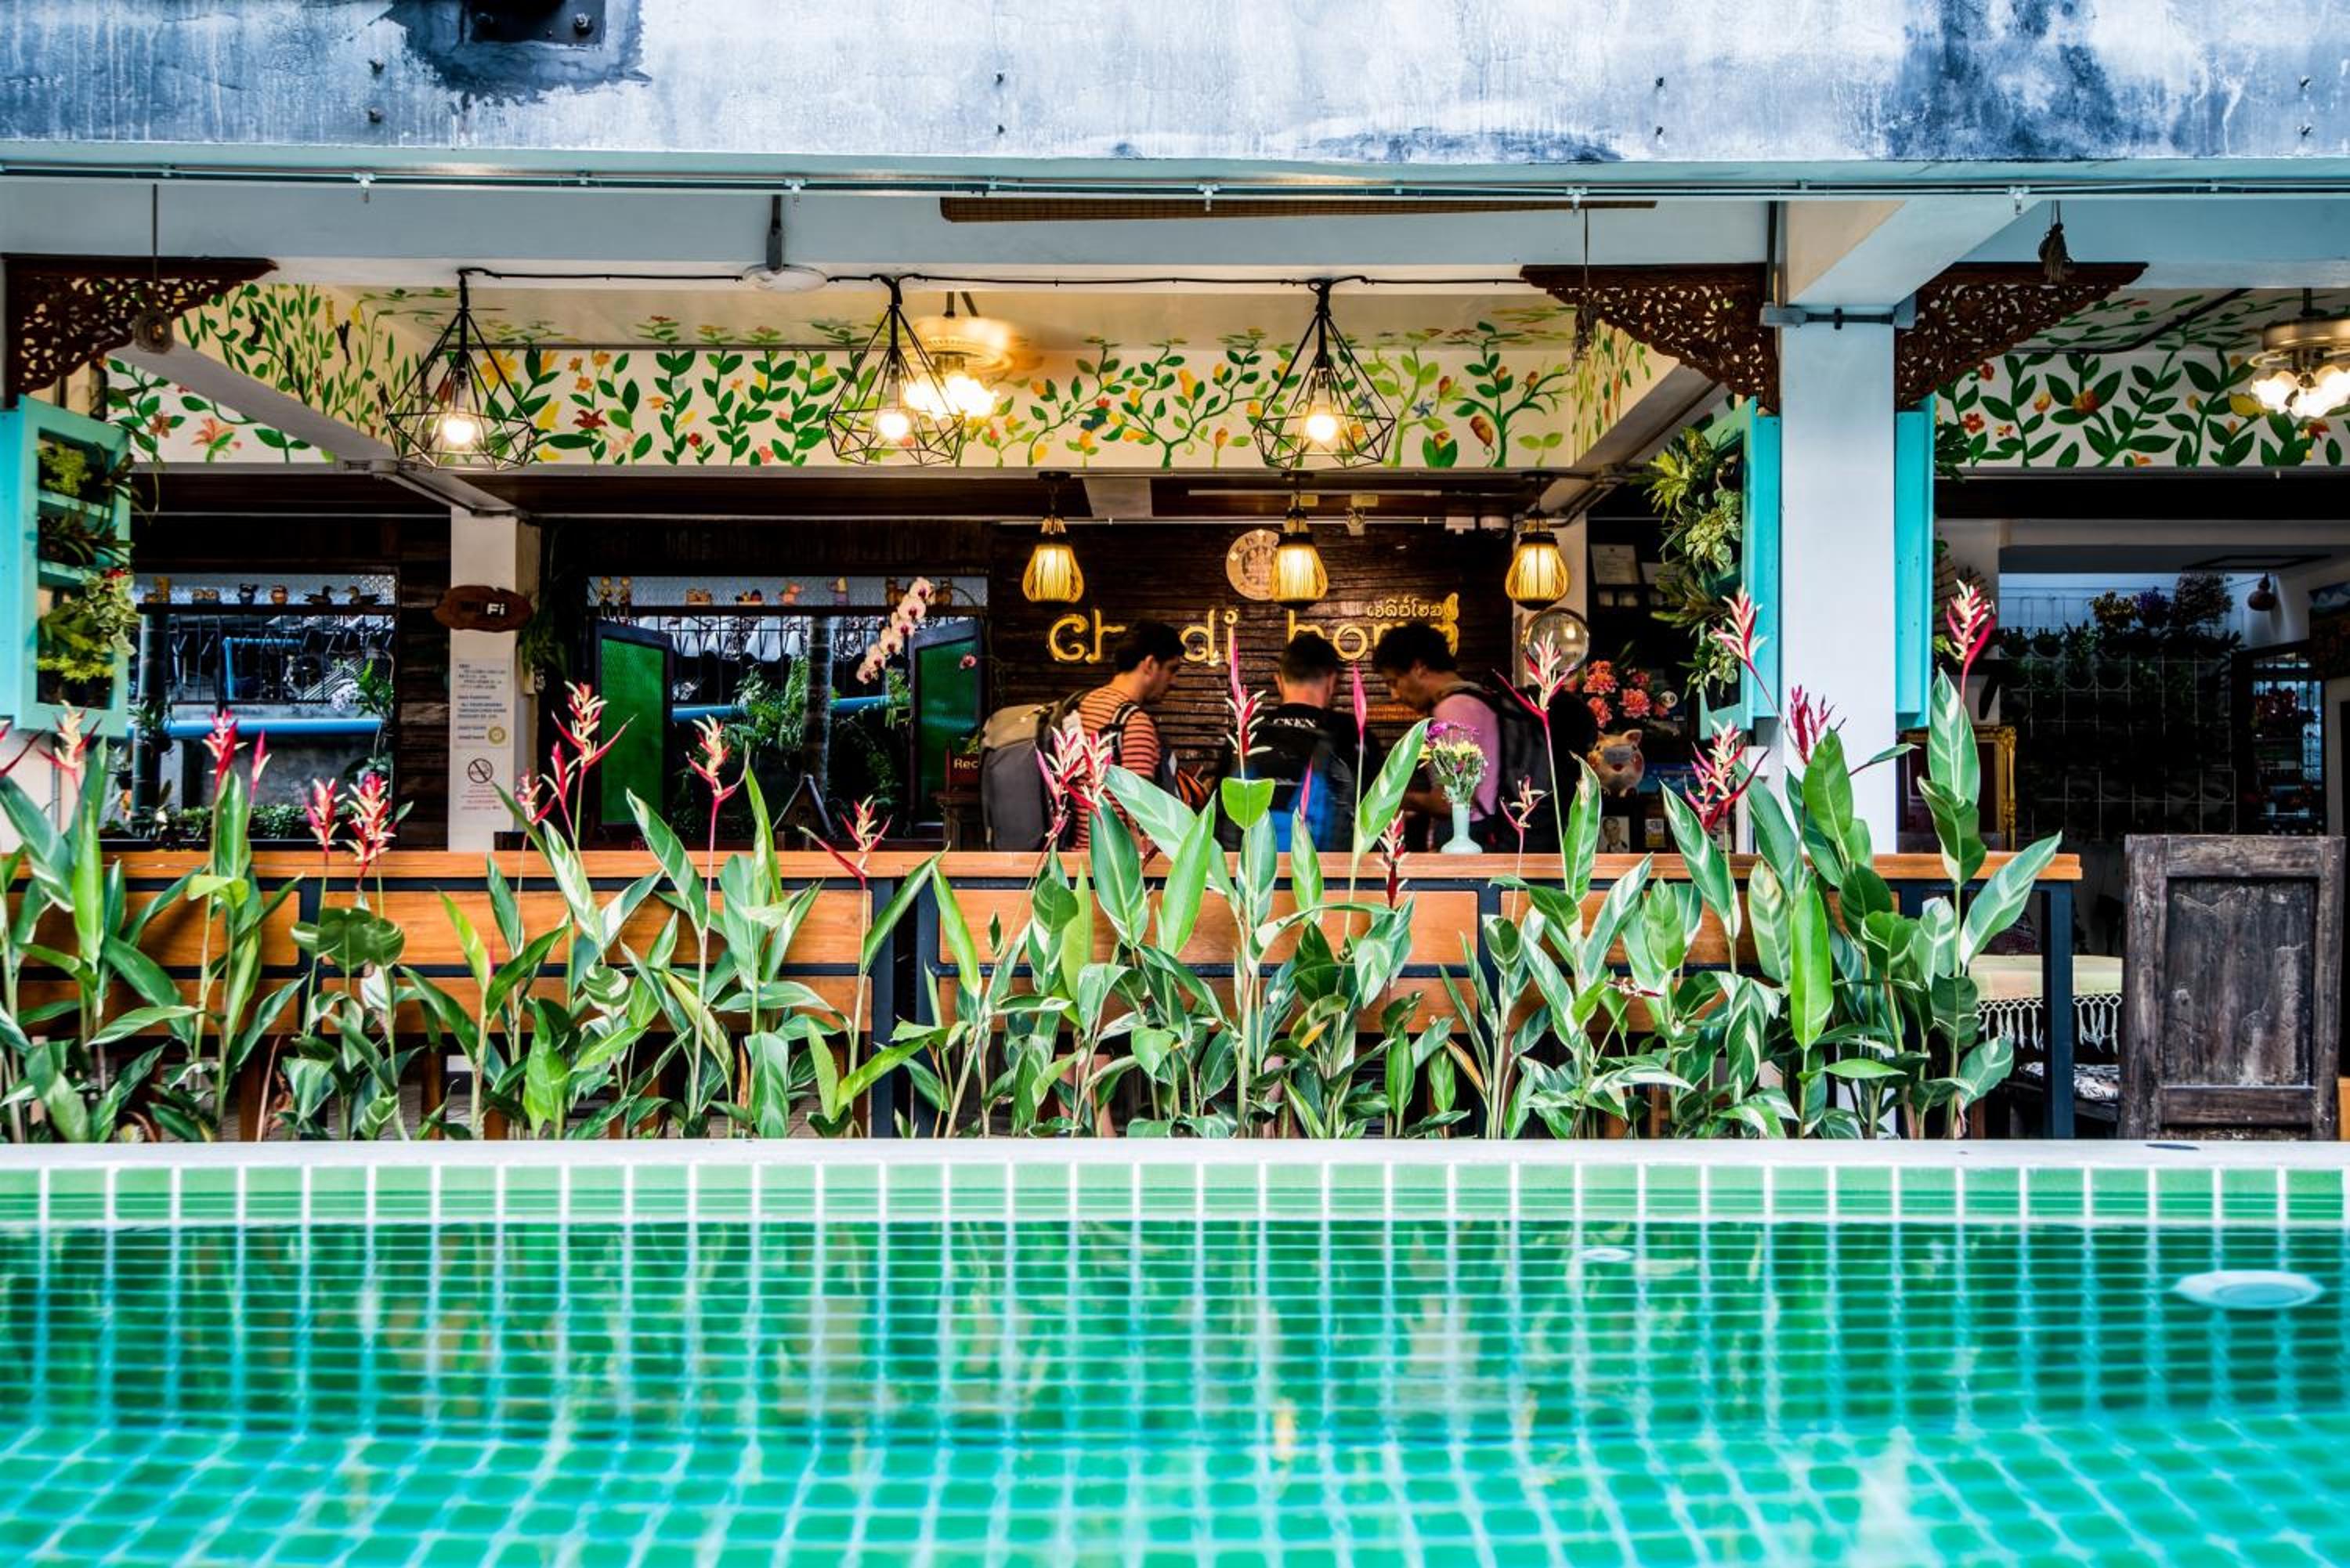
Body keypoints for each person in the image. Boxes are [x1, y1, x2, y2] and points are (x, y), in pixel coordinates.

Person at [1209, 631, 1383, 851]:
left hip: (1252, 870)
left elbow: (1216, 816)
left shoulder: (1245, 732)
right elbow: (1379, 817)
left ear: (1279, 680)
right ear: (1332, 681)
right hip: (1328, 870)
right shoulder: (1353, 734)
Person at [1372, 621, 1501, 838]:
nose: (1394, 696)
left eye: (1394, 682)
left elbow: (1456, 800)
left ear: (1419, 668)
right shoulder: (1478, 699)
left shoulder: (1453, 709)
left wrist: (1397, 800)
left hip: (1471, 840)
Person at [1071, 620, 1184, 850]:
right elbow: (1140, 817)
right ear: (1150, 664)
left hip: (1079, 858)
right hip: (1115, 864)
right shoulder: (1134, 723)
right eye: (1172, 669)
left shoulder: (1084, 705)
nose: (1174, 682)